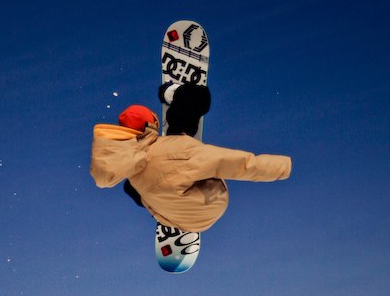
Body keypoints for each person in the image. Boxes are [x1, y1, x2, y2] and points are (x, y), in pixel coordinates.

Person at [90, 83, 292, 234]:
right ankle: (176, 94)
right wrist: (283, 167)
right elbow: (241, 164)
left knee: (131, 186)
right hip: (212, 205)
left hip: (175, 220)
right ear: (150, 126)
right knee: (192, 106)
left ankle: (171, 207)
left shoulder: (125, 165)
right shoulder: (180, 151)